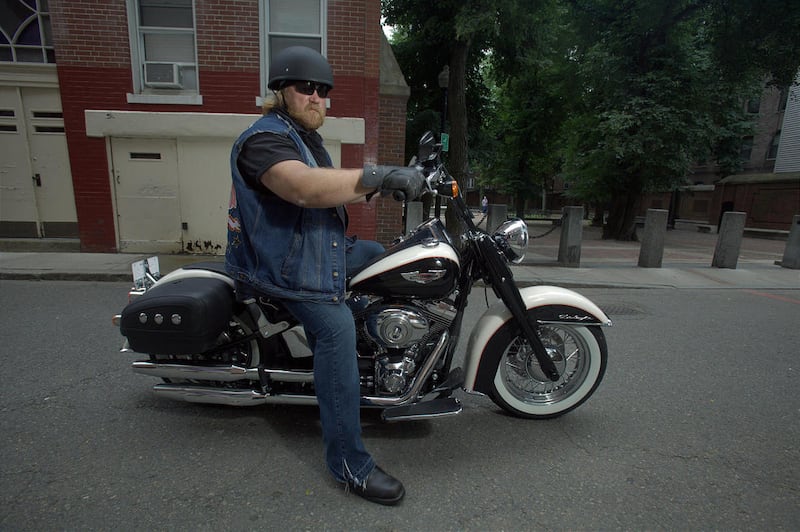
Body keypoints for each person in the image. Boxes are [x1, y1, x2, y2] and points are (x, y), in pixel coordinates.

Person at [225, 46, 424, 506]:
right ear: (281, 91)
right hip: (279, 267)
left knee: (381, 254)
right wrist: (381, 175)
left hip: (314, 252)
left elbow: (331, 189)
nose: (316, 97)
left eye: (323, 91)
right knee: (335, 332)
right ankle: (349, 463)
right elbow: (303, 188)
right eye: (306, 88)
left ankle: (381, 348)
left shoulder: (304, 138)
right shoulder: (264, 140)